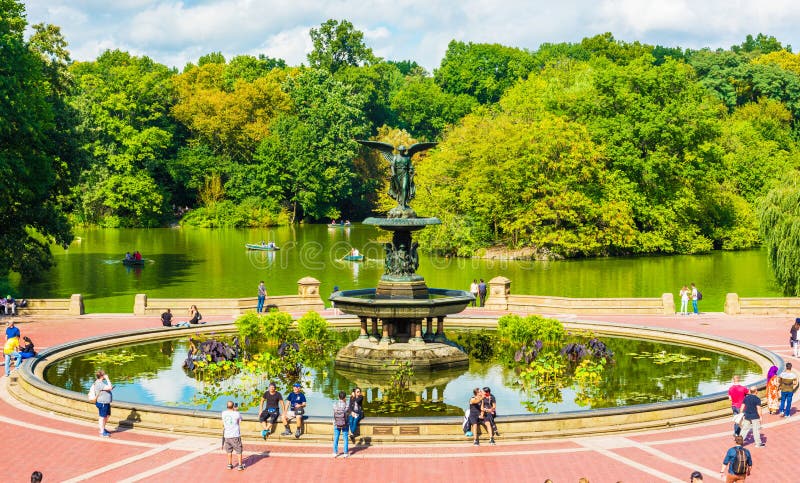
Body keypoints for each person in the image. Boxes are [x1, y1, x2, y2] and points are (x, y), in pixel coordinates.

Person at [221, 401, 245, 471]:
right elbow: (240, 420)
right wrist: (236, 411)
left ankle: (229, 464)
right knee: (239, 451)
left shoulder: (223, 413)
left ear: (227, 406)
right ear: (234, 406)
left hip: (226, 435)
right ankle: (240, 466)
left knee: (229, 451)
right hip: (235, 435)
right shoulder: (237, 413)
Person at [92, 370, 114, 437]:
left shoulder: (100, 382)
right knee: (102, 417)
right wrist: (107, 378)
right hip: (102, 403)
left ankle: (103, 428)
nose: (105, 375)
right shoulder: (99, 383)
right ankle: (102, 432)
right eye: (104, 374)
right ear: (102, 376)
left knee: (107, 415)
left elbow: (108, 388)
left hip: (106, 402)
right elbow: (110, 387)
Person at [332, 390, 349, 458]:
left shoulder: (334, 404)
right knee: (345, 438)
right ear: (345, 397)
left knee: (336, 437)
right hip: (345, 423)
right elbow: (347, 413)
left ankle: (335, 452)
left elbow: (334, 412)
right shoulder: (347, 405)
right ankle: (345, 453)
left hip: (337, 423)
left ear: (338, 397)